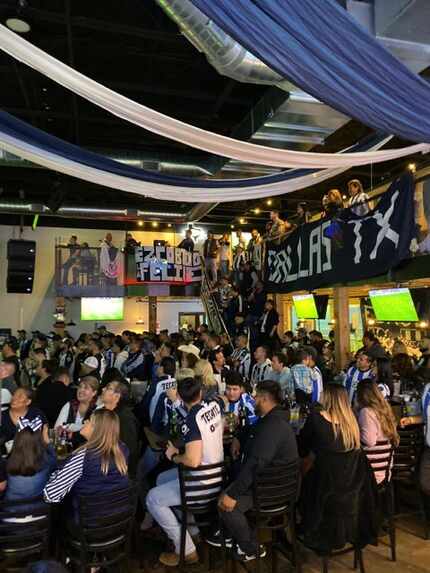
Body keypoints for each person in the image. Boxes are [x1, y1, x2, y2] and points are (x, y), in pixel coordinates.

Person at [209, 380, 298, 561]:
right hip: (276, 485)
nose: (253, 399)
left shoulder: (272, 428)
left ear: (264, 399)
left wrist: (232, 495)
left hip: (271, 492)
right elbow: (252, 428)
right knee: (230, 482)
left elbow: (255, 465)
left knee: (225, 504)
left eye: (256, 396)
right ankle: (229, 530)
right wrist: (238, 438)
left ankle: (250, 548)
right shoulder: (273, 418)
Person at [146, 377, 224, 567]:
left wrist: (173, 456)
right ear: (200, 393)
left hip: (202, 484)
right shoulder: (212, 405)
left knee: (152, 498)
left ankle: (186, 550)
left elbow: (192, 460)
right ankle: (193, 533)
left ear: (180, 395)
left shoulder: (191, 420)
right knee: (161, 478)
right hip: (217, 476)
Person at [297, 385, 377, 554]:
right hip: (351, 490)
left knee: (298, 476)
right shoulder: (351, 422)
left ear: (327, 397)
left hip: (323, 490)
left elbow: (302, 448)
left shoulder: (316, 419)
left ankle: (298, 525)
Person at [43, 409, 129, 521]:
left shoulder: (84, 456)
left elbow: (51, 495)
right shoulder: (122, 449)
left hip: (88, 524)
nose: (85, 422)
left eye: (89, 421)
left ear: (96, 429)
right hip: (116, 518)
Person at [3, 416, 56, 504]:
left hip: (11, 513)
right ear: (39, 439)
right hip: (40, 513)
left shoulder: (7, 462)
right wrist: (47, 441)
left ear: (17, 440)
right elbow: (55, 461)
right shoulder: (46, 460)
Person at [356, 382, 399, 484]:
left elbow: (369, 441)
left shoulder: (367, 412)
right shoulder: (385, 410)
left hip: (370, 473)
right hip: (385, 471)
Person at [100, 381, 139, 477]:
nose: (103, 389)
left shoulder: (125, 419)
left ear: (117, 396)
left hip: (116, 472)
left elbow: (128, 451)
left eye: (108, 388)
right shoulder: (103, 410)